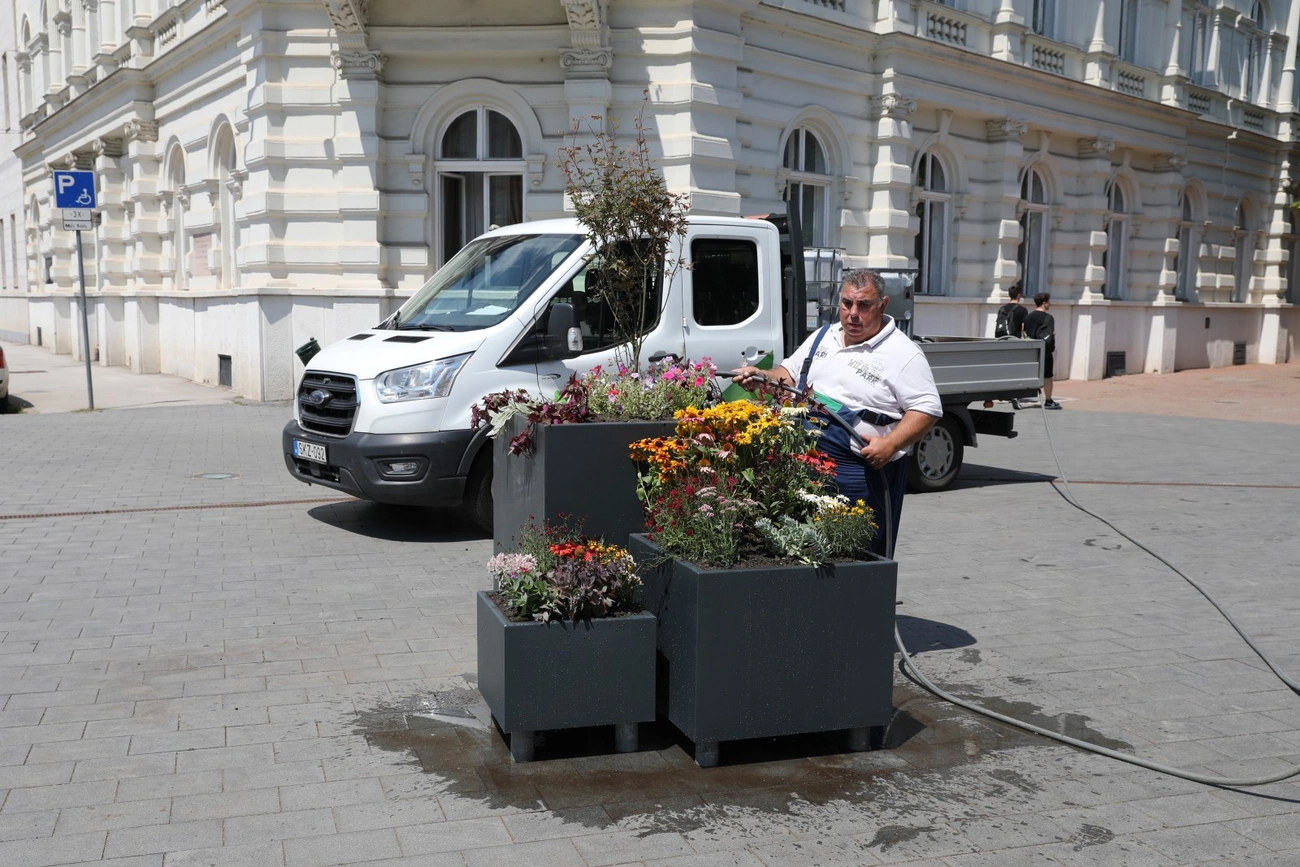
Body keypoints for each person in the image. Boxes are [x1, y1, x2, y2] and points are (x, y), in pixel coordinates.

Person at [734, 270, 942, 558]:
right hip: (806, 457)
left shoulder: (903, 353)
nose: (853, 314)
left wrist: (891, 444)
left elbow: (927, 408)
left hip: (860, 470)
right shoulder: (823, 336)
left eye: (864, 305)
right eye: (846, 304)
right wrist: (762, 376)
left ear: (882, 305)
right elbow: (790, 376)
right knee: (803, 544)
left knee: (858, 551)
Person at [1023, 293, 1061, 409]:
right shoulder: (1049, 318)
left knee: (1028, 375)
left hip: (1031, 350)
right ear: (1044, 302)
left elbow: (1024, 333)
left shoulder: (1028, 317)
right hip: (1045, 351)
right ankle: (1048, 400)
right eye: (1049, 301)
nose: (1050, 304)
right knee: (1047, 376)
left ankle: (1019, 398)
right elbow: (1050, 335)